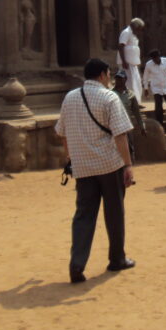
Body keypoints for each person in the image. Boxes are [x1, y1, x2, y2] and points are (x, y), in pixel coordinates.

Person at [56, 58, 136, 284]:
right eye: (108, 74)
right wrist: (128, 165)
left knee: (83, 215)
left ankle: (77, 264)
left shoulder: (70, 98)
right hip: (109, 165)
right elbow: (120, 135)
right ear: (102, 74)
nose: (109, 78)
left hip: (83, 167)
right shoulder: (109, 97)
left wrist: (71, 158)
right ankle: (117, 258)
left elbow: (62, 132)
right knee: (114, 212)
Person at [112, 69, 146, 162]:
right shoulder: (110, 94)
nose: (118, 81)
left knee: (130, 147)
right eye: (117, 78)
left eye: (120, 78)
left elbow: (136, 112)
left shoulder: (130, 94)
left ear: (125, 79)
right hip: (114, 125)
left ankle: (130, 168)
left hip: (127, 125)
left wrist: (142, 126)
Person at [142, 49, 166, 131]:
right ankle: (160, 125)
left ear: (159, 57)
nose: (155, 60)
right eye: (153, 59)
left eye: (156, 58)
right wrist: (146, 88)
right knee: (158, 107)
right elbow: (145, 77)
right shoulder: (148, 65)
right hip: (157, 88)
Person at [117, 17, 144, 103]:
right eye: (139, 29)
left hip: (133, 64)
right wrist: (124, 61)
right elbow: (121, 46)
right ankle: (131, 102)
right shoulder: (126, 32)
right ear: (134, 26)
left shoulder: (133, 34)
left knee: (137, 83)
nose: (139, 31)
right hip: (127, 63)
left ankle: (137, 102)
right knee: (130, 84)